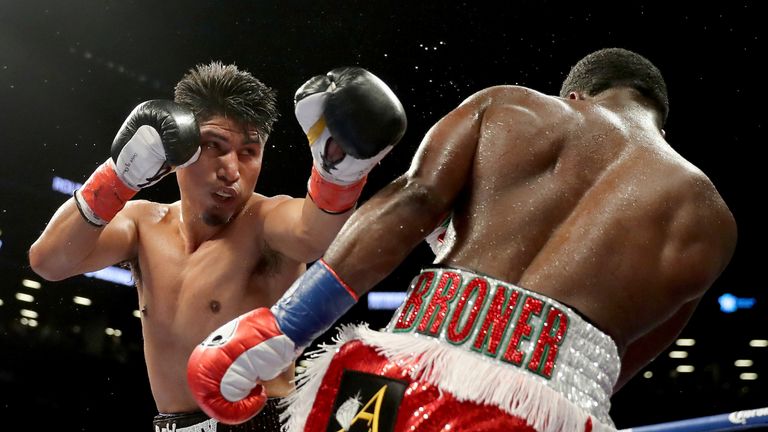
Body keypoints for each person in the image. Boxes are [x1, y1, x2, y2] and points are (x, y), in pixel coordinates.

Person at [186, 48, 737, 431]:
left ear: (575, 93)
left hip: (405, 375)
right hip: (550, 412)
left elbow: (416, 200)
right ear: (661, 126)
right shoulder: (708, 219)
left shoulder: (512, 107)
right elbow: (617, 364)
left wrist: (286, 327)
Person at [28, 61, 406, 431]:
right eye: (214, 146)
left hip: (263, 424)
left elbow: (315, 233)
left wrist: (339, 174)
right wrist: (118, 176)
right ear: (180, 148)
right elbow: (49, 261)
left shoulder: (265, 221)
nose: (231, 170)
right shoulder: (142, 223)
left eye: (248, 152)